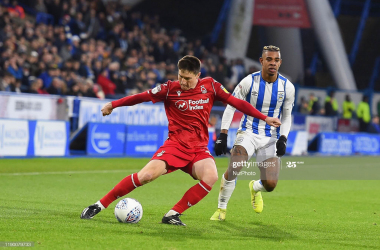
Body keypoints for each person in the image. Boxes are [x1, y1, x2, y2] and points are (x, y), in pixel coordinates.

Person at [80, 55, 281, 226]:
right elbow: (140, 97)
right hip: (175, 146)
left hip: (199, 149)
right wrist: (113, 105)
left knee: (210, 177)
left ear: (197, 75)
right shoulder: (169, 89)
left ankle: (172, 214)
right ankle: (99, 205)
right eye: (180, 77)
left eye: (187, 78)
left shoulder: (210, 86)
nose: (183, 82)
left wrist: (264, 118)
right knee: (146, 176)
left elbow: (237, 103)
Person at [210, 45, 295, 221]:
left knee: (270, 185)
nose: (273, 63)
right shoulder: (249, 82)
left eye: (276, 60)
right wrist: (223, 134)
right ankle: (221, 209)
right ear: (261, 61)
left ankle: (255, 187)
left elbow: (287, 117)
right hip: (248, 132)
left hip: (270, 138)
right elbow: (231, 106)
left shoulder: (288, 87)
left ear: (280, 63)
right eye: (269, 59)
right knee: (235, 167)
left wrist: (283, 138)